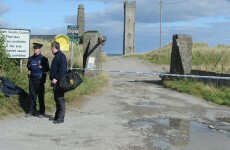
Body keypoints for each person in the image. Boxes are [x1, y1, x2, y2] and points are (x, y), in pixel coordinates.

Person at [26, 43, 50, 117]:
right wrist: (30, 66)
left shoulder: (43, 58)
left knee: (40, 96)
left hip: (39, 79)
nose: (34, 50)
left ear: (40, 49)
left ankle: (41, 112)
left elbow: (47, 69)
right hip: (32, 78)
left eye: (36, 48)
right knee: (32, 95)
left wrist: (41, 66)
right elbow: (29, 67)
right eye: (34, 48)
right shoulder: (31, 58)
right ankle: (31, 111)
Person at [50, 41, 67, 124]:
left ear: (54, 48)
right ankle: (57, 116)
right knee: (57, 99)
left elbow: (63, 69)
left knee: (60, 99)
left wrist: (56, 78)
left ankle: (61, 117)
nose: (51, 50)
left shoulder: (61, 56)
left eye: (51, 48)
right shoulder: (57, 56)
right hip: (56, 82)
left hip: (59, 82)